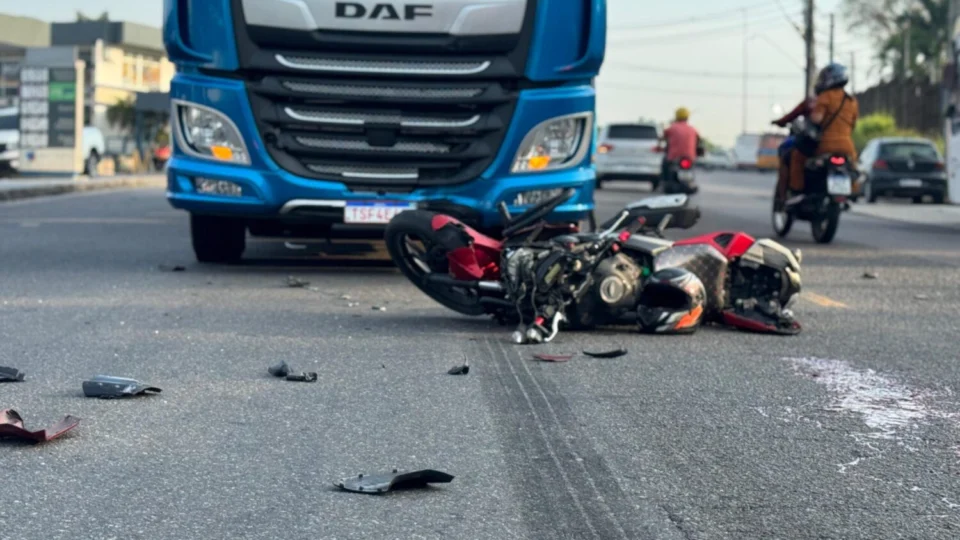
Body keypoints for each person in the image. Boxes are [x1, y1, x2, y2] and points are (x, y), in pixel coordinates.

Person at [772, 64, 859, 206]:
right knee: (853, 166)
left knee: (797, 157)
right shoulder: (852, 101)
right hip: (847, 147)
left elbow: (816, 119)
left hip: (825, 145)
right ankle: (853, 190)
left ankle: (796, 191)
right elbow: (853, 125)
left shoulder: (825, 97)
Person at [661, 107, 702, 180]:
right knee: (692, 167)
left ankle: (665, 181)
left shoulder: (672, 128)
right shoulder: (693, 129)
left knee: (665, 165)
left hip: (673, 157)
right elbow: (699, 141)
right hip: (690, 157)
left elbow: (662, 138)